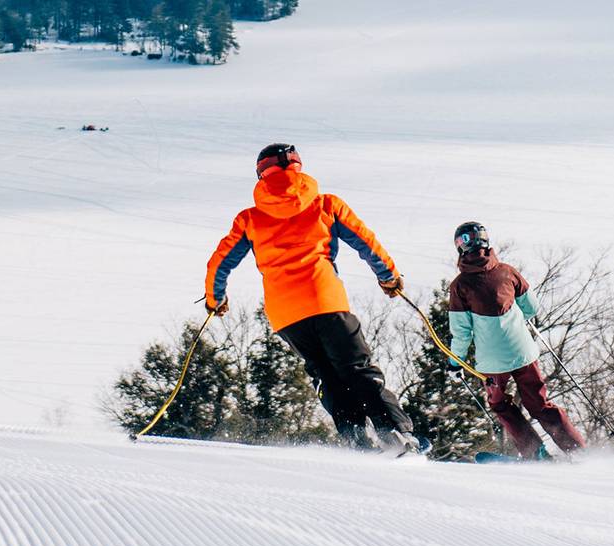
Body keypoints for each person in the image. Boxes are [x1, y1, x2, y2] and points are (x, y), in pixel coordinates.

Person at [204, 143, 427, 455]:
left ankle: (357, 442)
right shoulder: (326, 205)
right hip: (325, 300)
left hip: (285, 315)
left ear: (261, 175)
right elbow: (366, 242)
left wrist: (215, 300)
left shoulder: (250, 219)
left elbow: (219, 263)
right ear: (298, 166)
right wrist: (388, 276)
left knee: (326, 375)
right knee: (357, 368)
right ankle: (396, 435)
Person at [446, 222, 585, 458]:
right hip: (523, 353)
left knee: (500, 404)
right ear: (485, 241)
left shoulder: (459, 286)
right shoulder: (507, 271)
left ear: (461, 248)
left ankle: (534, 452)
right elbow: (531, 307)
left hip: (492, 364)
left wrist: (455, 363)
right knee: (539, 404)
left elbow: (462, 333)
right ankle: (576, 450)